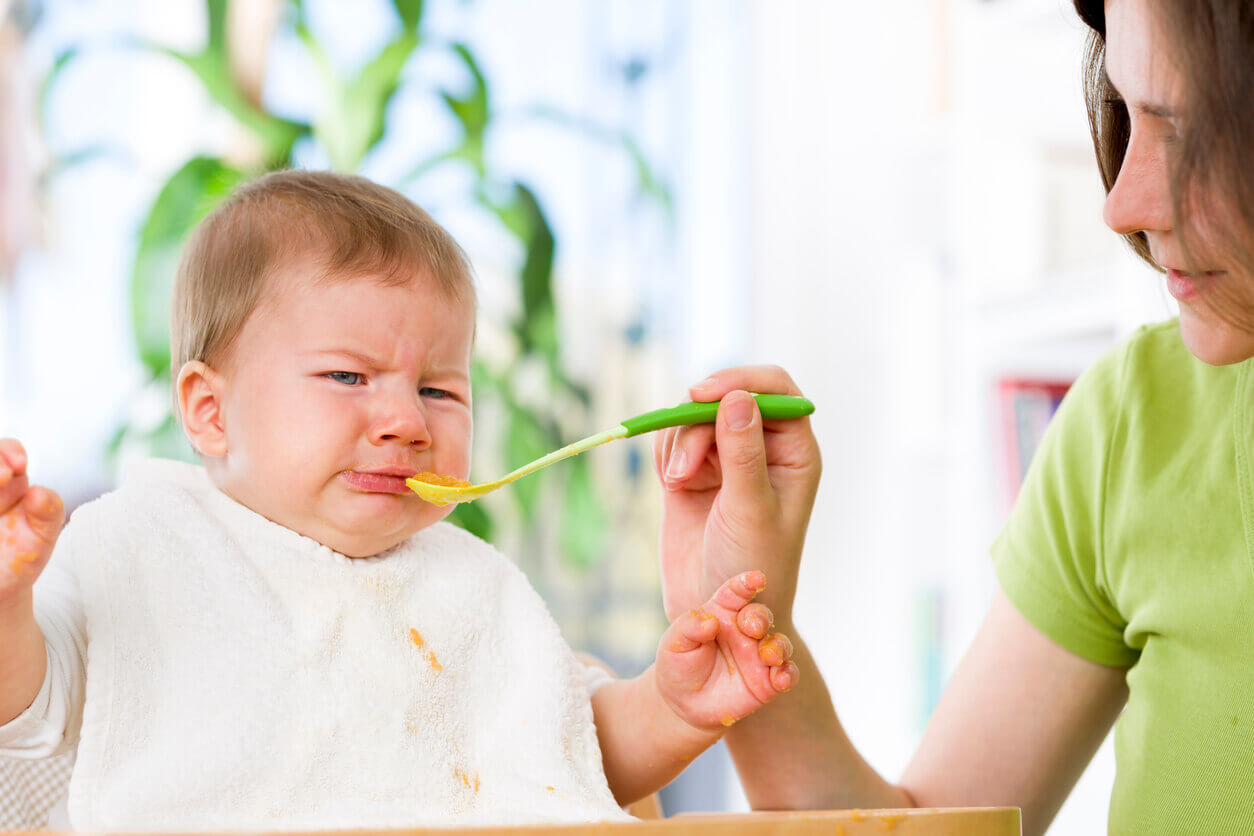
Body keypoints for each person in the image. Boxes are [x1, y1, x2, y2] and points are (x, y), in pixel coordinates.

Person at [0, 169, 800, 831]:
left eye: (439, 389)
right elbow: (30, 713)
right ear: (210, 411)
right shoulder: (143, 545)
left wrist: (672, 706)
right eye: (349, 377)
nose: (408, 422)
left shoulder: (466, 583)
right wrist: (7, 600)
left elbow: (567, 757)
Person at [651, 0, 1254, 834]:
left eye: (1180, 127)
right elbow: (931, 826)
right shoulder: (1131, 425)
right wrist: (745, 613)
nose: (1122, 204)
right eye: (1129, 112)